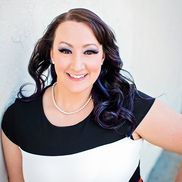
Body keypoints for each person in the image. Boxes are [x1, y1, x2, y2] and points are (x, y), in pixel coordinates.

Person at [1, 8, 182, 182]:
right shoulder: (18, 119)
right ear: (51, 54)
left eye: (89, 51)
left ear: (102, 57)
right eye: (65, 50)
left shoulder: (128, 106)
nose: (77, 65)